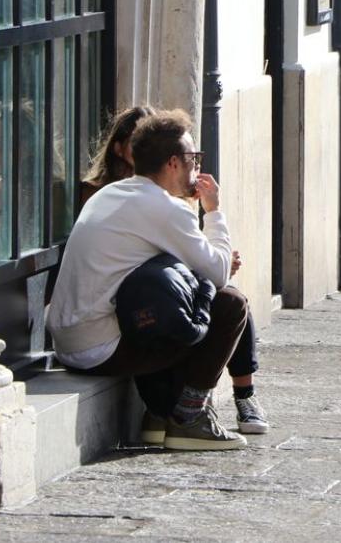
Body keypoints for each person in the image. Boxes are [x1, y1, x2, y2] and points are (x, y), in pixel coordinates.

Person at [48, 109, 263, 450]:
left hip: (68, 344)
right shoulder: (164, 208)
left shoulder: (111, 193)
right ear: (174, 164)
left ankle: (159, 414)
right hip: (100, 350)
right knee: (230, 304)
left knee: (169, 298)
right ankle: (190, 418)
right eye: (193, 158)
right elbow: (219, 272)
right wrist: (214, 210)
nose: (198, 167)